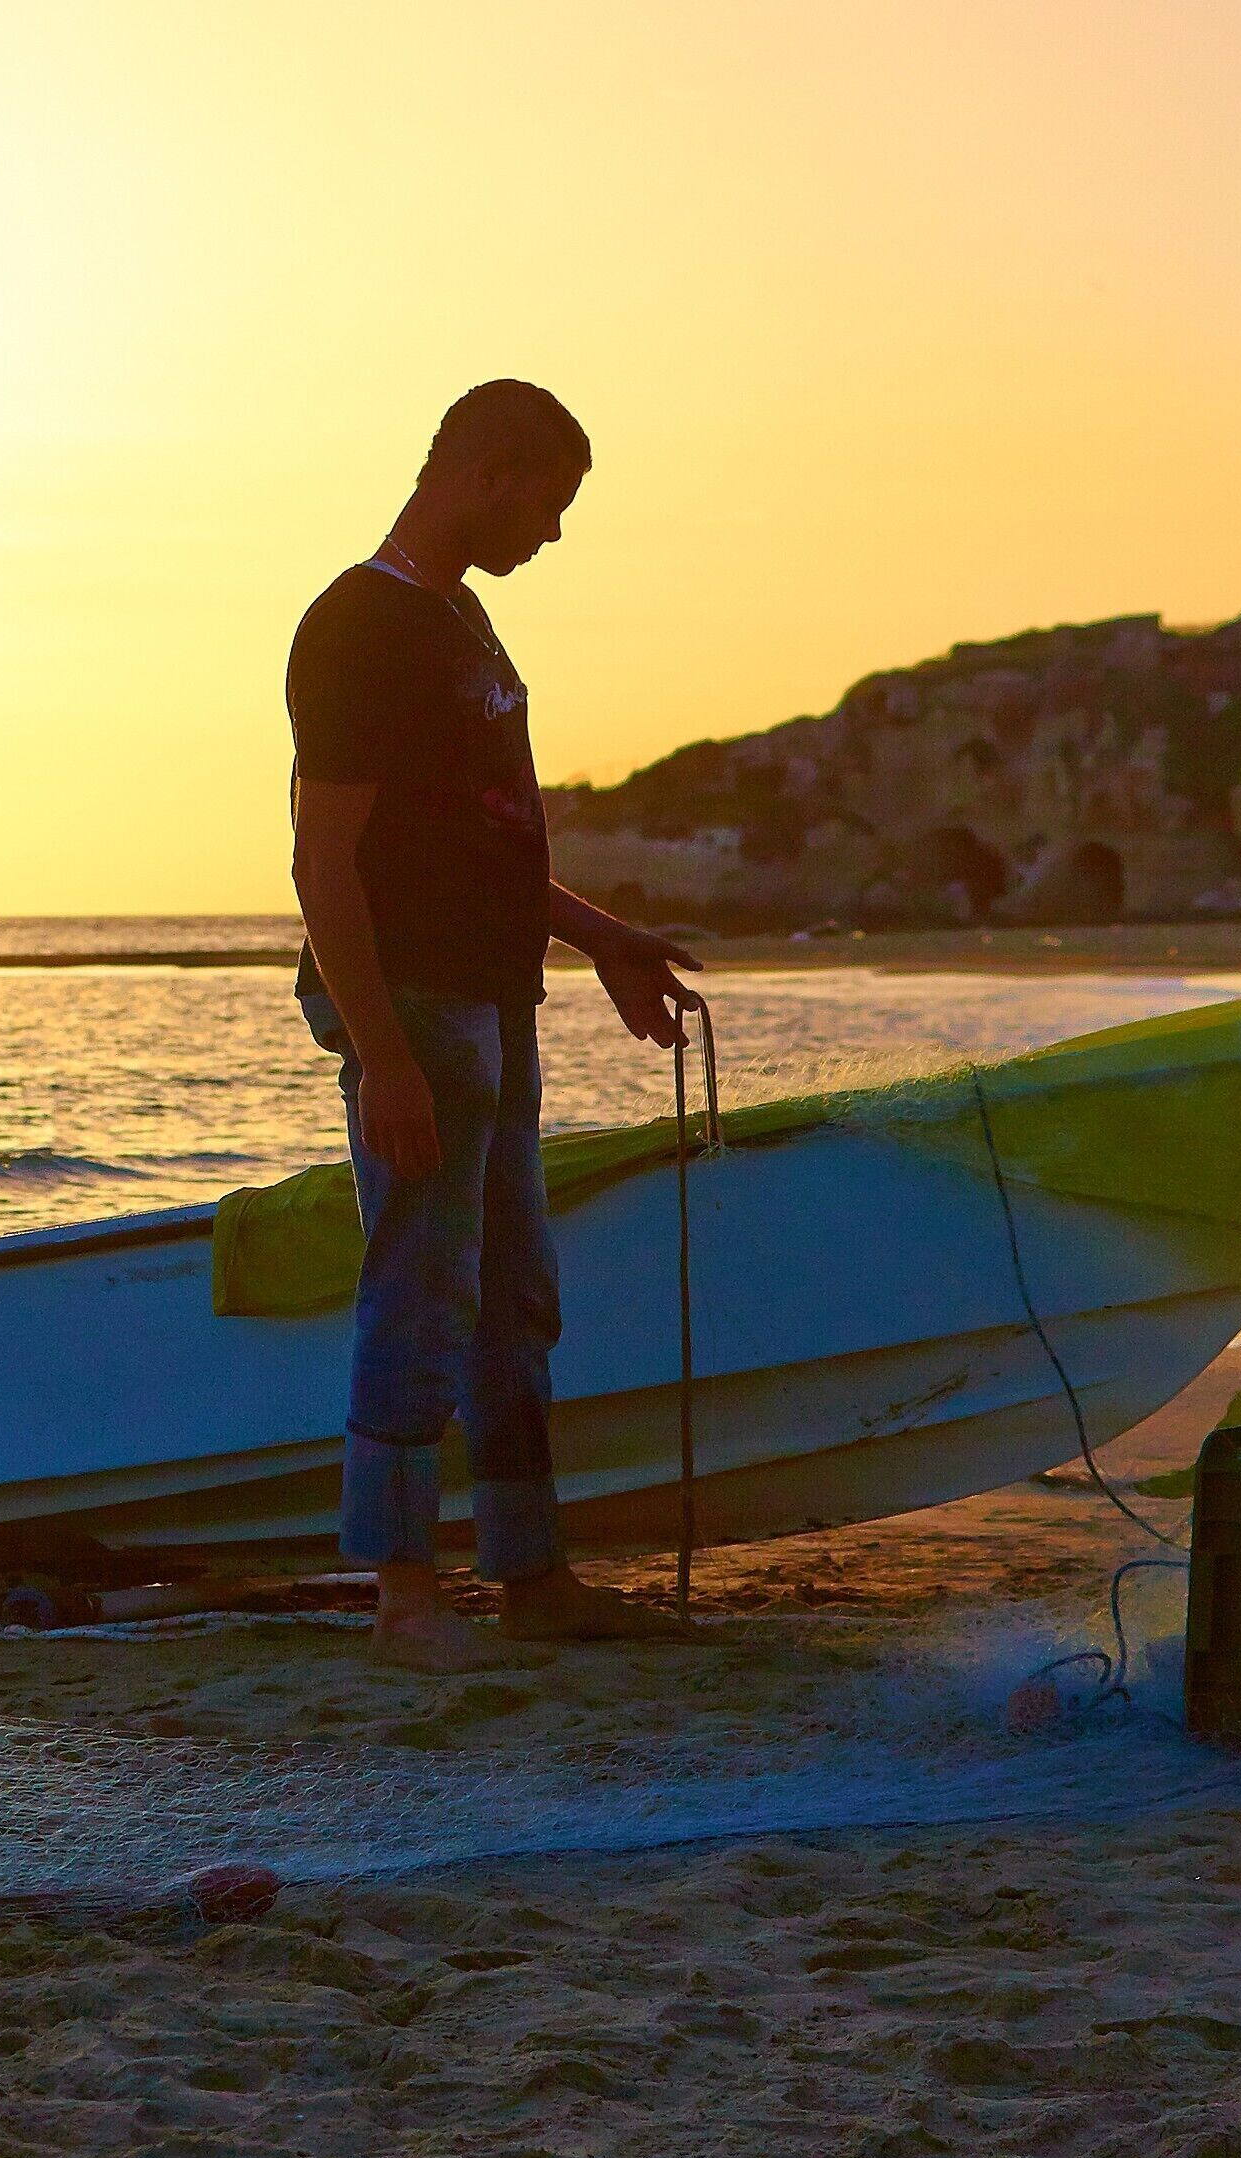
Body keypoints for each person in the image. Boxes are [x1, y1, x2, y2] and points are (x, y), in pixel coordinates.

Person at [288, 380, 707, 1672]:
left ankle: (531, 1572)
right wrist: (387, 1056)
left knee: (515, 1290)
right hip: (412, 999)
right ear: (482, 472)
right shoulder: (357, 623)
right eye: (549, 501)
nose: (554, 532)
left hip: (496, 992)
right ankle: (405, 1594)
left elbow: (483, 838)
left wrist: (606, 941)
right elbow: (323, 864)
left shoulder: (463, 622)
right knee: (420, 1281)